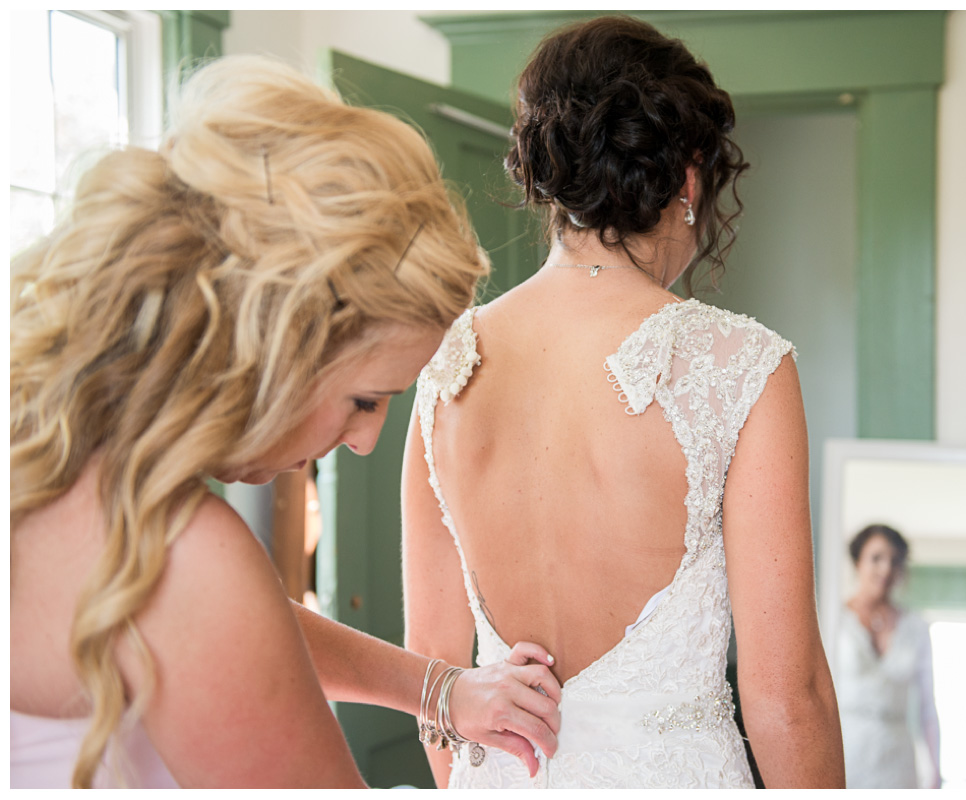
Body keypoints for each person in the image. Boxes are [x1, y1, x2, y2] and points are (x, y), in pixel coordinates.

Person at [9, 55, 562, 789]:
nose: (365, 442)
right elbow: (210, 615)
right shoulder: (186, 559)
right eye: (365, 400)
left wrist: (437, 688)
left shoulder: (40, 451)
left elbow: (228, 636)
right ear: (271, 345)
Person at [401, 15, 843, 789]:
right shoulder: (742, 367)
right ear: (689, 178)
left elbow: (430, 665)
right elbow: (786, 698)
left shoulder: (446, 363)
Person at [837, 524, 942, 789]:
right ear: (858, 561)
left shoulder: (916, 627)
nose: (886, 569)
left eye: (895, 561)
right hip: (846, 751)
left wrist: (936, 770)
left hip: (898, 759)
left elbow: (928, 707)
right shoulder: (832, 618)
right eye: (877, 558)